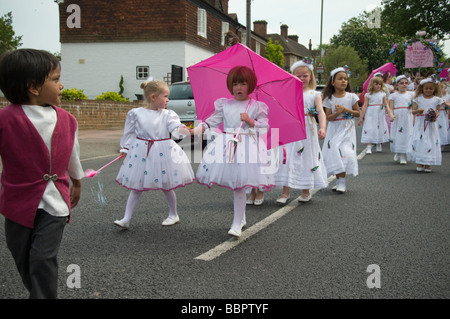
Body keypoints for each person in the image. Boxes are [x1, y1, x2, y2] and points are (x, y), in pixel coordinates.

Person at [0, 49, 84, 298]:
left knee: (42, 257)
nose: (62, 85)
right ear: (33, 87)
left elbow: (72, 154)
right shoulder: (5, 120)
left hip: (56, 202)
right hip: (17, 201)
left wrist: (77, 182)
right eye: (56, 79)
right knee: (23, 258)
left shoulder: (68, 120)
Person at [190, 66, 274, 237]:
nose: (238, 88)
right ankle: (241, 219)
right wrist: (194, 131)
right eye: (235, 84)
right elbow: (211, 122)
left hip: (247, 147)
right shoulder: (225, 104)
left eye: (243, 84)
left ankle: (236, 224)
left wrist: (251, 121)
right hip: (227, 145)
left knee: (239, 185)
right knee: (237, 184)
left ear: (250, 85)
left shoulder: (256, 106)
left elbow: (264, 127)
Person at [114, 80, 195, 229]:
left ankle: (173, 214)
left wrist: (183, 129)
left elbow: (175, 128)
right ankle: (126, 218)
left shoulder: (168, 115)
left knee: (167, 185)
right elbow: (130, 133)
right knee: (136, 186)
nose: (168, 100)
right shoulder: (136, 113)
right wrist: (125, 148)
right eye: (165, 96)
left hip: (163, 152)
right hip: (141, 152)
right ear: (153, 97)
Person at [275, 59, 328, 204]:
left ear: (310, 76)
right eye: (298, 76)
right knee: (287, 158)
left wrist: (322, 127)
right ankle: (285, 192)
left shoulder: (314, 94)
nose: (302, 79)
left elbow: (321, 112)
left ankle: (306, 191)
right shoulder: (288, 92)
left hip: (307, 131)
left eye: (305, 75)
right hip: (291, 129)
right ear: (292, 76)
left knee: (306, 158)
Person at [321, 67, 360, 193]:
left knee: (345, 152)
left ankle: (342, 182)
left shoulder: (351, 97)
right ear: (333, 82)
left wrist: (345, 110)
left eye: (345, 79)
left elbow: (357, 113)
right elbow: (328, 118)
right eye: (340, 79)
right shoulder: (329, 99)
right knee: (335, 153)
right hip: (334, 129)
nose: (343, 81)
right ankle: (339, 181)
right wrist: (337, 113)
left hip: (347, 128)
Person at [407, 78, 443, 172]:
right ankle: (420, 161)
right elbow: (413, 111)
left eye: (431, 88)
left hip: (431, 124)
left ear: (434, 89)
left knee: (430, 141)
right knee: (420, 141)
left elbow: (438, 111)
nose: (428, 90)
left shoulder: (437, 100)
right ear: (422, 88)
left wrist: (435, 116)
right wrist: (418, 110)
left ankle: (428, 163)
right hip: (420, 123)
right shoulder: (418, 99)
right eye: (426, 88)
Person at [358, 76, 394, 153]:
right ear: (372, 85)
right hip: (371, 112)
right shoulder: (368, 95)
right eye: (376, 84)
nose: (378, 86)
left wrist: (390, 114)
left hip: (380, 112)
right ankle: (369, 145)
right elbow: (365, 106)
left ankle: (379, 143)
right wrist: (361, 117)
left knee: (380, 126)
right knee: (370, 127)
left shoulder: (383, 94)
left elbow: (386, 104)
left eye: (380, 84)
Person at [389, 75, 415, 164]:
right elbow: (391, 107)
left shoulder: (411, 94)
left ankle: (404, 155)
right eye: (401, 83)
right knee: (397, 134)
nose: (404, 85)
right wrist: (391, 115)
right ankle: (398, 152)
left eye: (406, 83)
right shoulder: (393, 95)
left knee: (406, 135)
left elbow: (414, 107)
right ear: (397, 85)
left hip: (407, 116)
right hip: (398, 116)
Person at [436, 82, 449, 150]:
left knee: (443, 128)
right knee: (438, 128)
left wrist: (446, 104)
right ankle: (438, 143)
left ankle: (442, 144)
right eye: (444, 88)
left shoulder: (446, 97)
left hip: (443, 114)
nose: (445, 90)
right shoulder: (436, 97)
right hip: (438, 114)